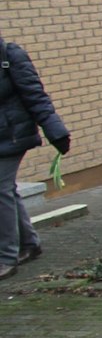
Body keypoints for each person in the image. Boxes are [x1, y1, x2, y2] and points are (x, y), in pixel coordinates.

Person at [0, 31, 69, 282]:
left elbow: (36, 95)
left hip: (13, 136)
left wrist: (56, 132)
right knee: (7, 189)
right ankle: (29, 243)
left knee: (0, 189)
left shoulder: (9, 55)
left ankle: (6, 257)